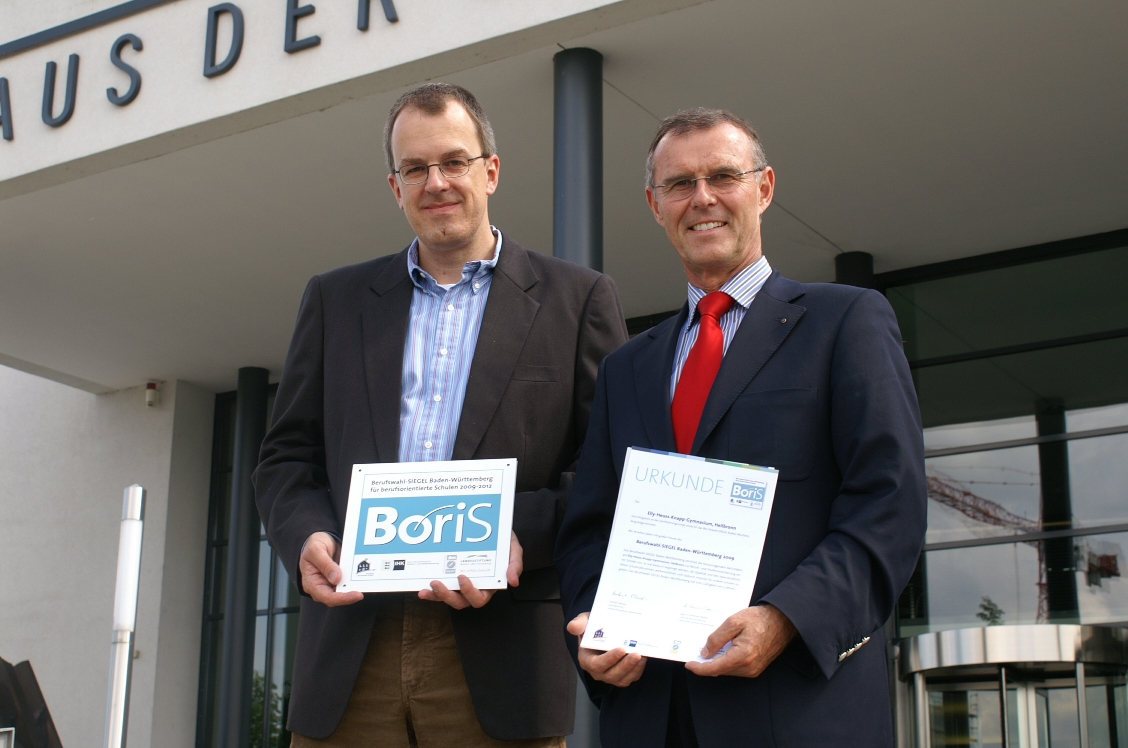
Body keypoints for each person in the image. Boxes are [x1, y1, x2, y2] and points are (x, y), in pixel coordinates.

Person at [254, 82, 628, 747]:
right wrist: (306, 535)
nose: (436, 183)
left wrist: (517, 533)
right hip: (351, 649)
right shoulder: (336, 301)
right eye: (415, 168)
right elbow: (286, 457)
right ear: (394, 187)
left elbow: (608, 467)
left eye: (454, 161)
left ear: (491, 170)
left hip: (501, 653)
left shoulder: (577, 300)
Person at [555, 108, 927, 747]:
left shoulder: (846, 322)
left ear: (765, 187)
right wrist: (594, 625)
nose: (702, 198)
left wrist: (787, 618)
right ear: (655, 204)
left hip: (798, 714)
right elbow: (590, 530)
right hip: (651, 716)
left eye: (723, 176)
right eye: (679, 184)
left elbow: (889, 505)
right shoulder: (626, 368)